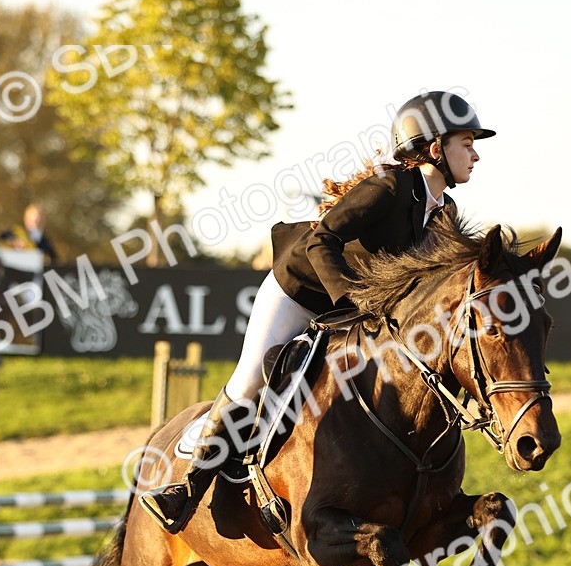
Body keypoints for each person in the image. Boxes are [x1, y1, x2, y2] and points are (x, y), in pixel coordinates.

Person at [140, 90, 495, 533]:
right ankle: (186, 489)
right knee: (252, 378)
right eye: (467, 143)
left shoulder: (445, 211)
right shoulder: (388, 187)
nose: (476, 154)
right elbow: (320, 240)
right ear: (434, 146)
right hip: (301, 291)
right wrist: (352, 302)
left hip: (357, 316)